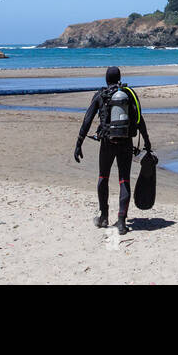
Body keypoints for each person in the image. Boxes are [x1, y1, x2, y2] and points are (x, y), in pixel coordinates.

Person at [74, 66, 151, 234]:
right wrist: (147, 142)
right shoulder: (128, 94)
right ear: (119, 78)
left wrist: (79, 143)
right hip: (126, 142)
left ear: (106, 80)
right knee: (124, 180)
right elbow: (139, 119)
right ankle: (122, 222)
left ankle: (103, 217)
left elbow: (87, 120)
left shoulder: (100, 95)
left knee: (103, 177)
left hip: (107, 142)